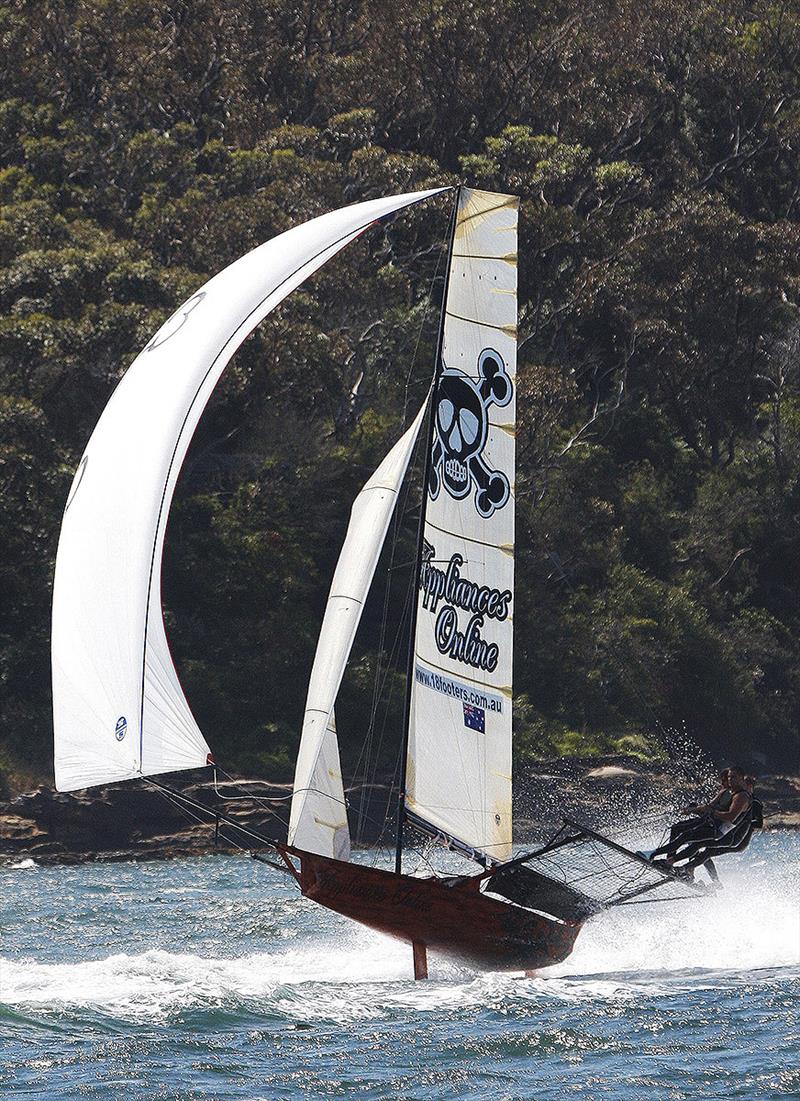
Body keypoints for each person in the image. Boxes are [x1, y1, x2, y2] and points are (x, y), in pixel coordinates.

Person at [655, 766, 753, 873]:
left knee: (701, 847)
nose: (725, 783)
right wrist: (694, 809)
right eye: (728, 778)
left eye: (728, 779)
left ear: (741, 779)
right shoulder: (729, 793)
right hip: (717, 829)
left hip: (728, 837)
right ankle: (675, 864)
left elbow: (729, 816)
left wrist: (708, 812)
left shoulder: (742, 797)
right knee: (690, 838)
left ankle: (678, 866)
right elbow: (709, 808)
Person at [640, 769, 731, 863]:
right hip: (709, 823)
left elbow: (711, 810)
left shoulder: (729, 793)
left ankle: (664, 860)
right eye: (721, 780)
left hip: (714, 827)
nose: (722, 782)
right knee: (684, 834)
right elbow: (709, 809)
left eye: (724, 780)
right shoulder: (725, 792)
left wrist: (692, 810)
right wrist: (694, 809)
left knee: (690, 840)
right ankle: (671, 862)